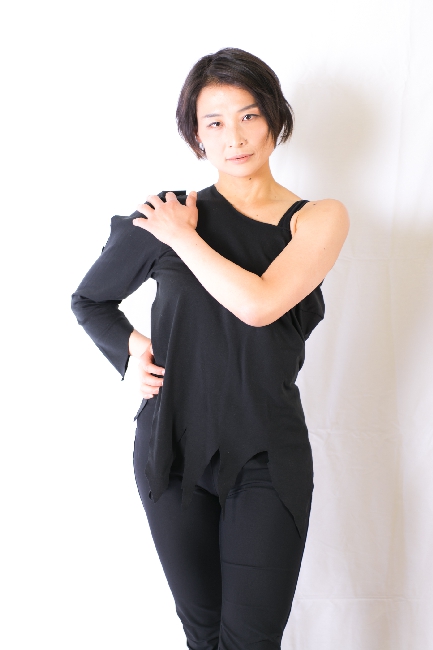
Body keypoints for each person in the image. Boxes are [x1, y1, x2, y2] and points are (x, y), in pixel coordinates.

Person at [71, 47, 349, 650]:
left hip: (267, 454)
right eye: (214, 123)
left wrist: (183, 239)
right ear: (196, 136)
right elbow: (89, 300)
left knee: (249, 641)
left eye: (249, 116)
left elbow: (259, 304)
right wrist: (131, 350)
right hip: (170, 448)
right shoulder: (168, 215)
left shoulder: (317, 219)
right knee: (203, 636)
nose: (235, 137)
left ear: (275, 117)